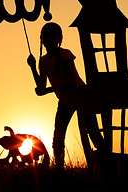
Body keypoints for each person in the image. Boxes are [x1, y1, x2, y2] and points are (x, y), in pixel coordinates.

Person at [27, 22, 102, 169]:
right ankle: (59, 169)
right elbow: (42, 86)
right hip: (64, 101)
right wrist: (32, 67)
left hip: (81, 97)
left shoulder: (65, 54)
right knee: (58, 138)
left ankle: (105, 163)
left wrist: (47, 90)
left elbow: (71, 82)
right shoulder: (43, 60)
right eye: (45, 36)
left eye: (51, 36)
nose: (48, 39)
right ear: (41, 38)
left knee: (92, 133)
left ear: (59, 39)